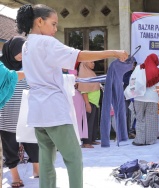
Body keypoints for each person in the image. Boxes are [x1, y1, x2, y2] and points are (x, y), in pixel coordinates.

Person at [16, 4, 128, 188]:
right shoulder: (46, 43)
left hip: (37, 111)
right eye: (53, 24)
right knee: (74, 157)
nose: (55, 29)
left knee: (46, 161)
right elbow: (79, 55)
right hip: (53, 110)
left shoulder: (27, 45)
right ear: (39, 21)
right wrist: (113, 52)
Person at [0, 36, 37, 188]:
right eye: (20, 50)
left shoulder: (28, 65)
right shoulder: (2, 67)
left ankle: (37, 169)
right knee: (10, 146)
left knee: (34, 143)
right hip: (6, 114)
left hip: (27, 114)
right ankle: (15, 176)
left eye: (25, 51)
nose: (22, 54)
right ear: (12, 49)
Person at [132, 54, 159, 146]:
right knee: (151, 119)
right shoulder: (158, 71)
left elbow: (132, 80)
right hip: (153, 98)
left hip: (139, 96)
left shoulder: (138, 68)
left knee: (140, 118)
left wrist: (133, 92)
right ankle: (150, 141)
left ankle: (139, 140)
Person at [77, 61, 101, 148]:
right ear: (86, 63)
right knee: (88, 123)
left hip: (95, 102)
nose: (93, 63)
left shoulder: (91, 72)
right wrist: (87, 104)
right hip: (89, 102)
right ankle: (86, 142)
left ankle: (92, 139)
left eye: (94, 62)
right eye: (91, 62)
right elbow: (84, 91)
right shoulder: (84, 75)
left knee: (94, 122)